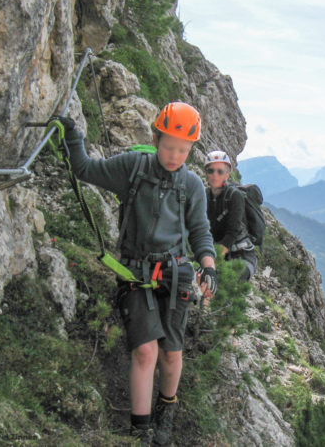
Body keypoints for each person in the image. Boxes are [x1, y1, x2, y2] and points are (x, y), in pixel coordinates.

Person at [56, 102, 217, 445]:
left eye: (184, 149)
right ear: (156, 137)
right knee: (145, 351)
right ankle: (140, 431)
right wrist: (72, 135)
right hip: (134, 271)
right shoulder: (132, 167)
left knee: (172, 352)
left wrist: (208, 267)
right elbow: (84, 168)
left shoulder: (191, 185)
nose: (175, 155)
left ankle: (166, 411)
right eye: (169, 145)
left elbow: (201, 231)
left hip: (175, 274)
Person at [204, 150, 257, 281]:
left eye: (220, 171)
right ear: (206, 173)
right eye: (211, 171)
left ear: (227, 175)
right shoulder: (204, 196)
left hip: (242, 256)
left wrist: (211, 262)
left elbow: (231, 233)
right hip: (218, 254)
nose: (215, 175)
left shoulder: (235, 196)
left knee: (222, 280)